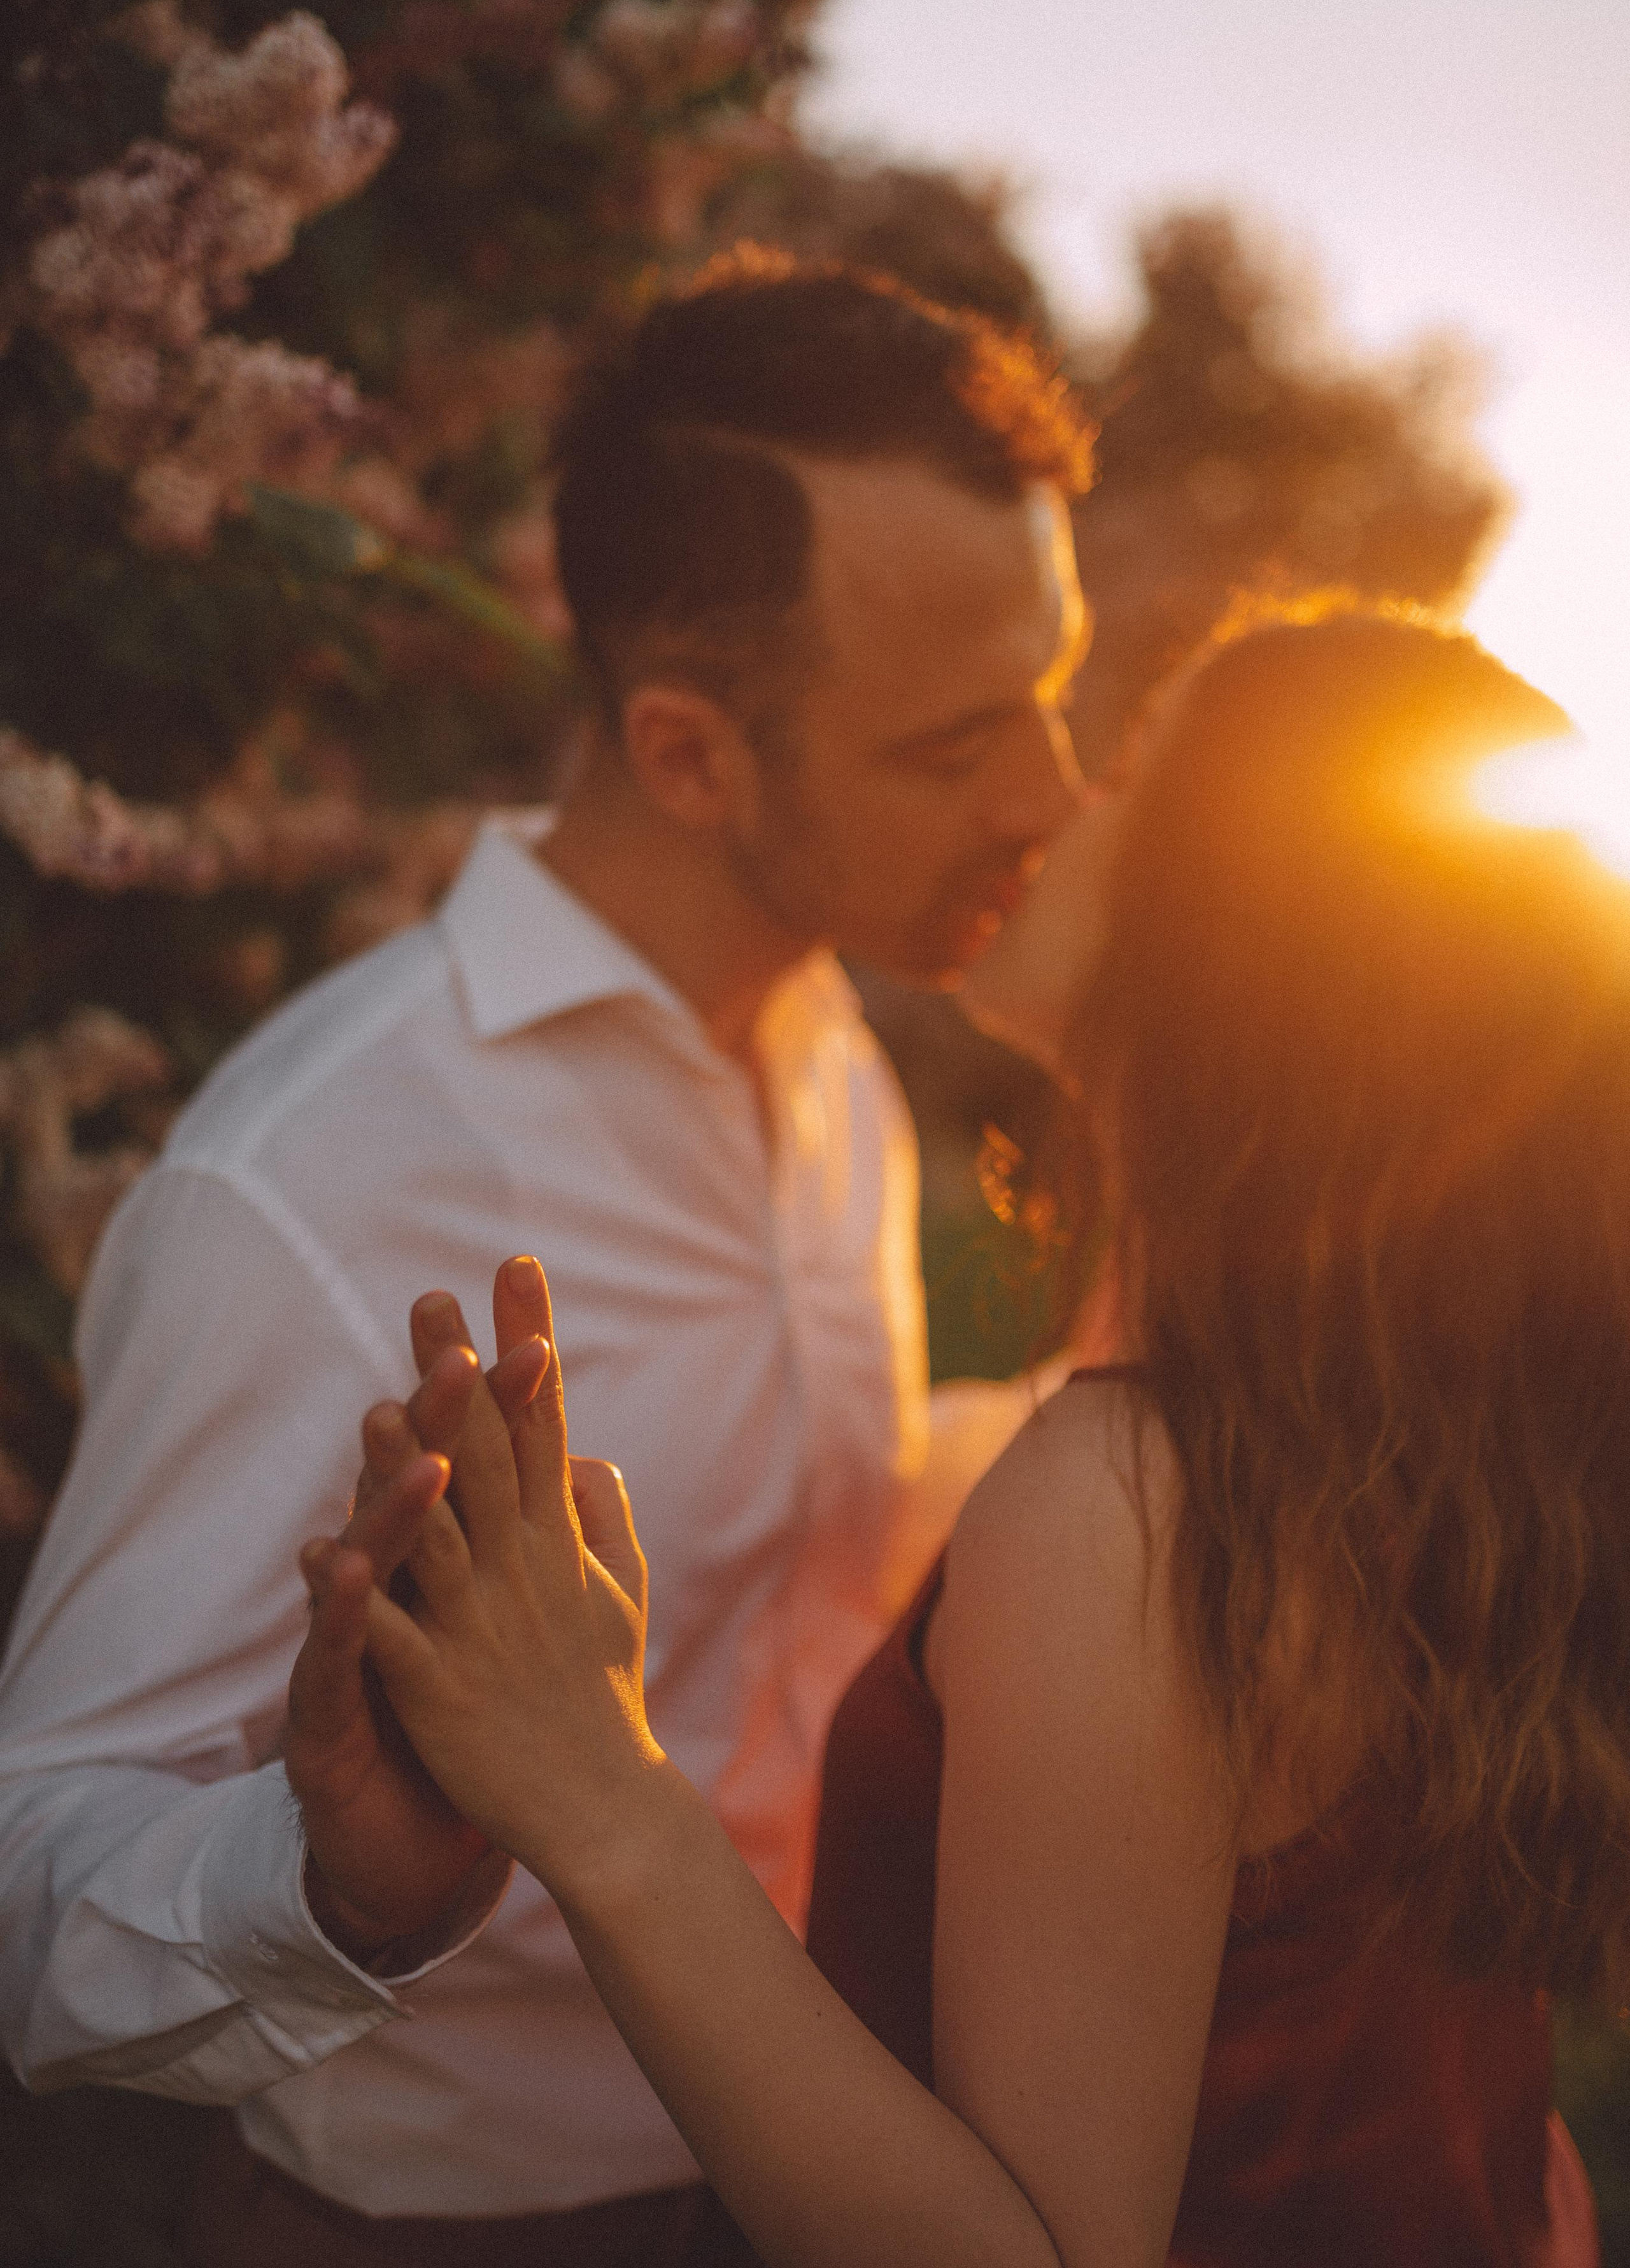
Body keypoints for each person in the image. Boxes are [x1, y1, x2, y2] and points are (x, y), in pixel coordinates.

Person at [0, 256, 1093, 2265]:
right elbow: (28, 1872)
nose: (1053, 789)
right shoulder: (315, 1180)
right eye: (956, 745)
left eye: (1053, 688)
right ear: (686, 752)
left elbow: (788, 1560)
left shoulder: (834, 1055)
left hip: (843, 2170)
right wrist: (337, 1883)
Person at [309, 610, 1611, 2265]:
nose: (1059, 797)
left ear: (1236, 933)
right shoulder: (1392, 1446)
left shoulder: (1134, 1513)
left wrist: (597, 1789)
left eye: (1131, 767)